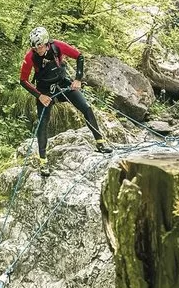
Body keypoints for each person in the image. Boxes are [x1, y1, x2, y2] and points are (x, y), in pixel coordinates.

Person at [19, 26, 112, 177]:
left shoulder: (57, 47)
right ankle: (43, 161)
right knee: (43, 122)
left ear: (46, 43)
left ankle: (100, 142)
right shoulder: (30, 56)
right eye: (35, 48)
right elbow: (23, 80)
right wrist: (39, 96)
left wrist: (78, 79)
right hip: (45, 91)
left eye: (40, 46)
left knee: (86, 108)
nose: (38, 50)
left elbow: (79, 56)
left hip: (63, 84)